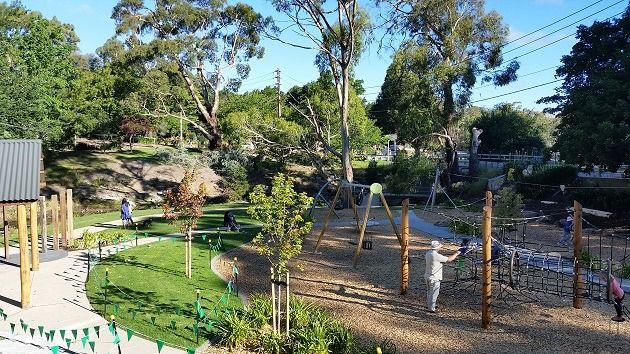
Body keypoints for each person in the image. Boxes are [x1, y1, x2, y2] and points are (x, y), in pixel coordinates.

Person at [424, 240, 465, 313]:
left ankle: (429, 305)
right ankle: (431, 308)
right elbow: (449, 259)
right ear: (437, 248)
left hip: (427, 275)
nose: (440, 248)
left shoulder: (428, 253)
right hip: (434, 277)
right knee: (434, 293)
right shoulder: (436, 255)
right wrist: (457, 253)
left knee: (429, 291)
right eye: (439, 247)